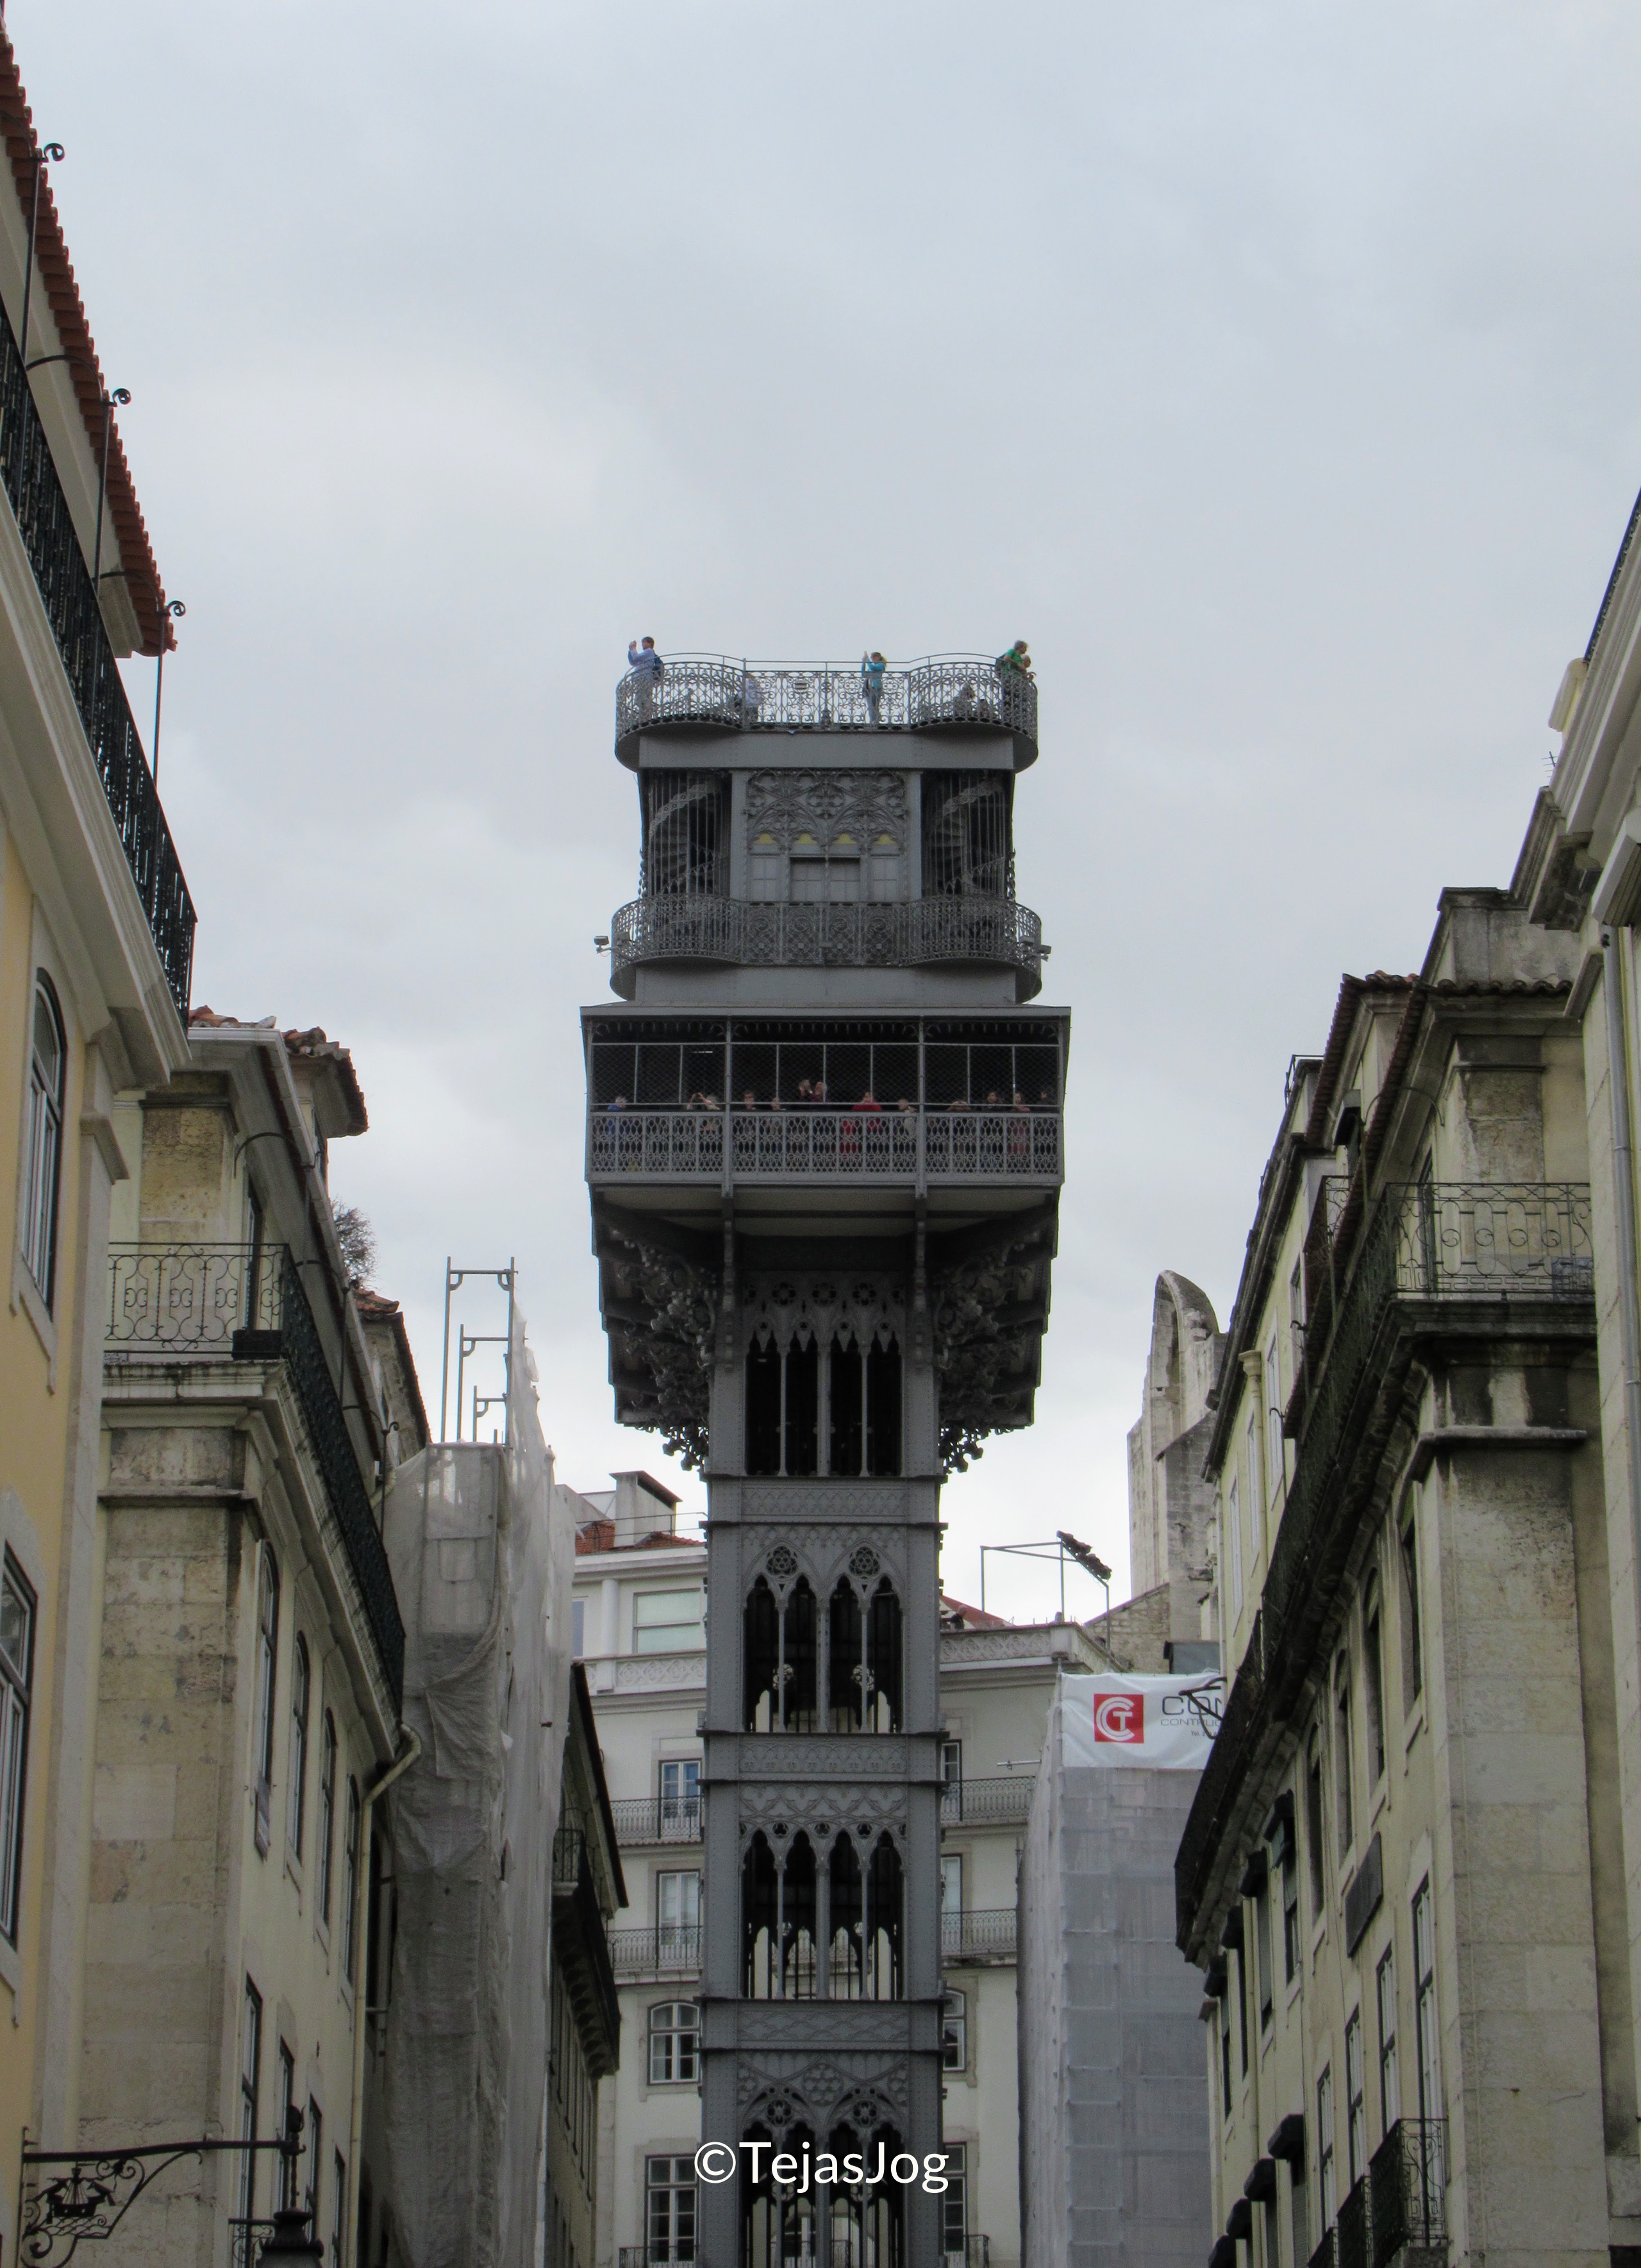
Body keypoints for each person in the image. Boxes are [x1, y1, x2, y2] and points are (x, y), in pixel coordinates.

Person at [628, 636, 663, 722]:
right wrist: (631, 651)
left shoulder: (649, 652)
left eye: (644, 642)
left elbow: (636, 658)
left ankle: (645, 717)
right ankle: (644, 716)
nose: (643, 645)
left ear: (650, 643)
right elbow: (633, 662)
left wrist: (633, 649)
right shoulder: (645, 655)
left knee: (644, 698)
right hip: (642, 679)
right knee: (641, 698)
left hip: (645, 678)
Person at [861, 650, 887, 727]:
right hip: (868, 688)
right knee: (870, 706)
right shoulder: (871, 667)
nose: (873, 659)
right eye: (872, 658)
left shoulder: (881, 665)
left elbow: (873, 667)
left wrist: (867, 659)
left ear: (878, 657)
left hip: (876, 687)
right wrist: (864, 663)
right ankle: (873, 720)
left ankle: (875, 720)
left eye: (874, 657)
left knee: (874, 705)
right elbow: (864, 674)